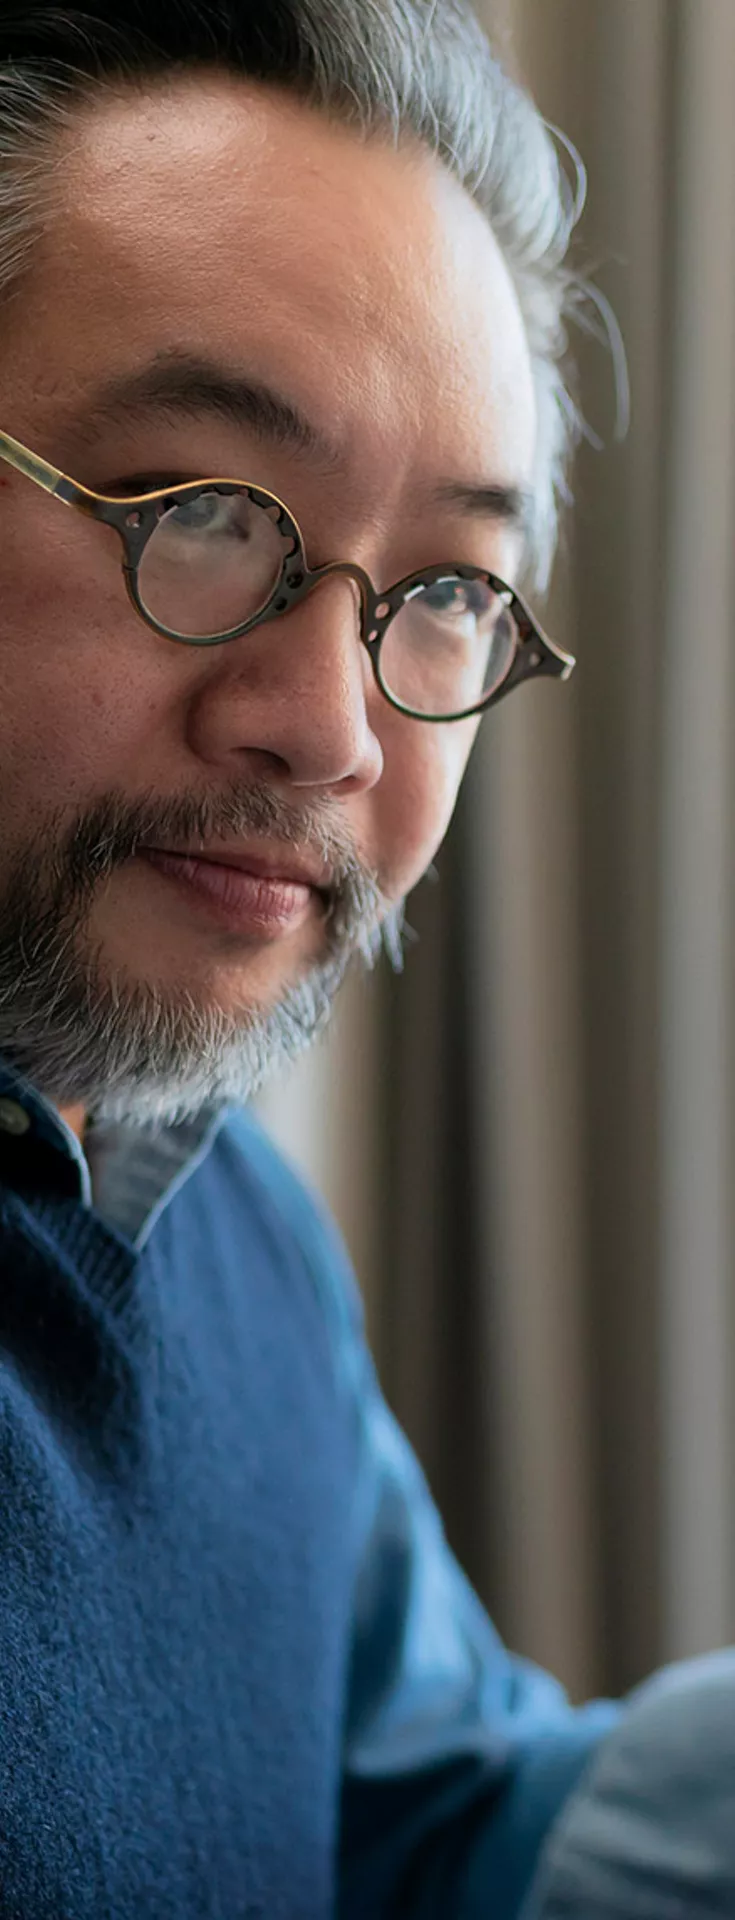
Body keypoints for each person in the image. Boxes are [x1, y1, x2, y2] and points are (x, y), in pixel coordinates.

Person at [0, 3, 732, 1916]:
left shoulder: (221, 1218)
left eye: (447, 591)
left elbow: (432, 1820)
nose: (330, 730)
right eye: (200, 515)